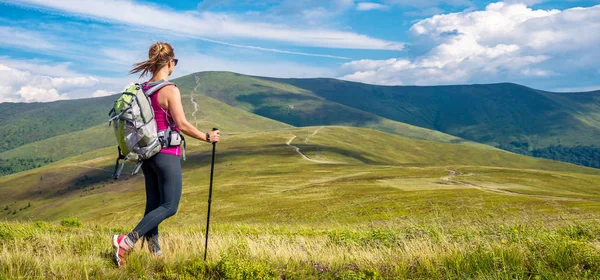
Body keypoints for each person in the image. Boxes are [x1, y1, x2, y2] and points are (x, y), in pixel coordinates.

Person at [112, 42, 220, 267]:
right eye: (175, 63)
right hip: (166, 153)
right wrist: (206, 137)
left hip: (147, 154)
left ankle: (155, 252)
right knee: (170, 206)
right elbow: (181, 124)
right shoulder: (169, 89)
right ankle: (127, 241)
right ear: (170, 62)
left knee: (153, 205)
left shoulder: (142, 89)